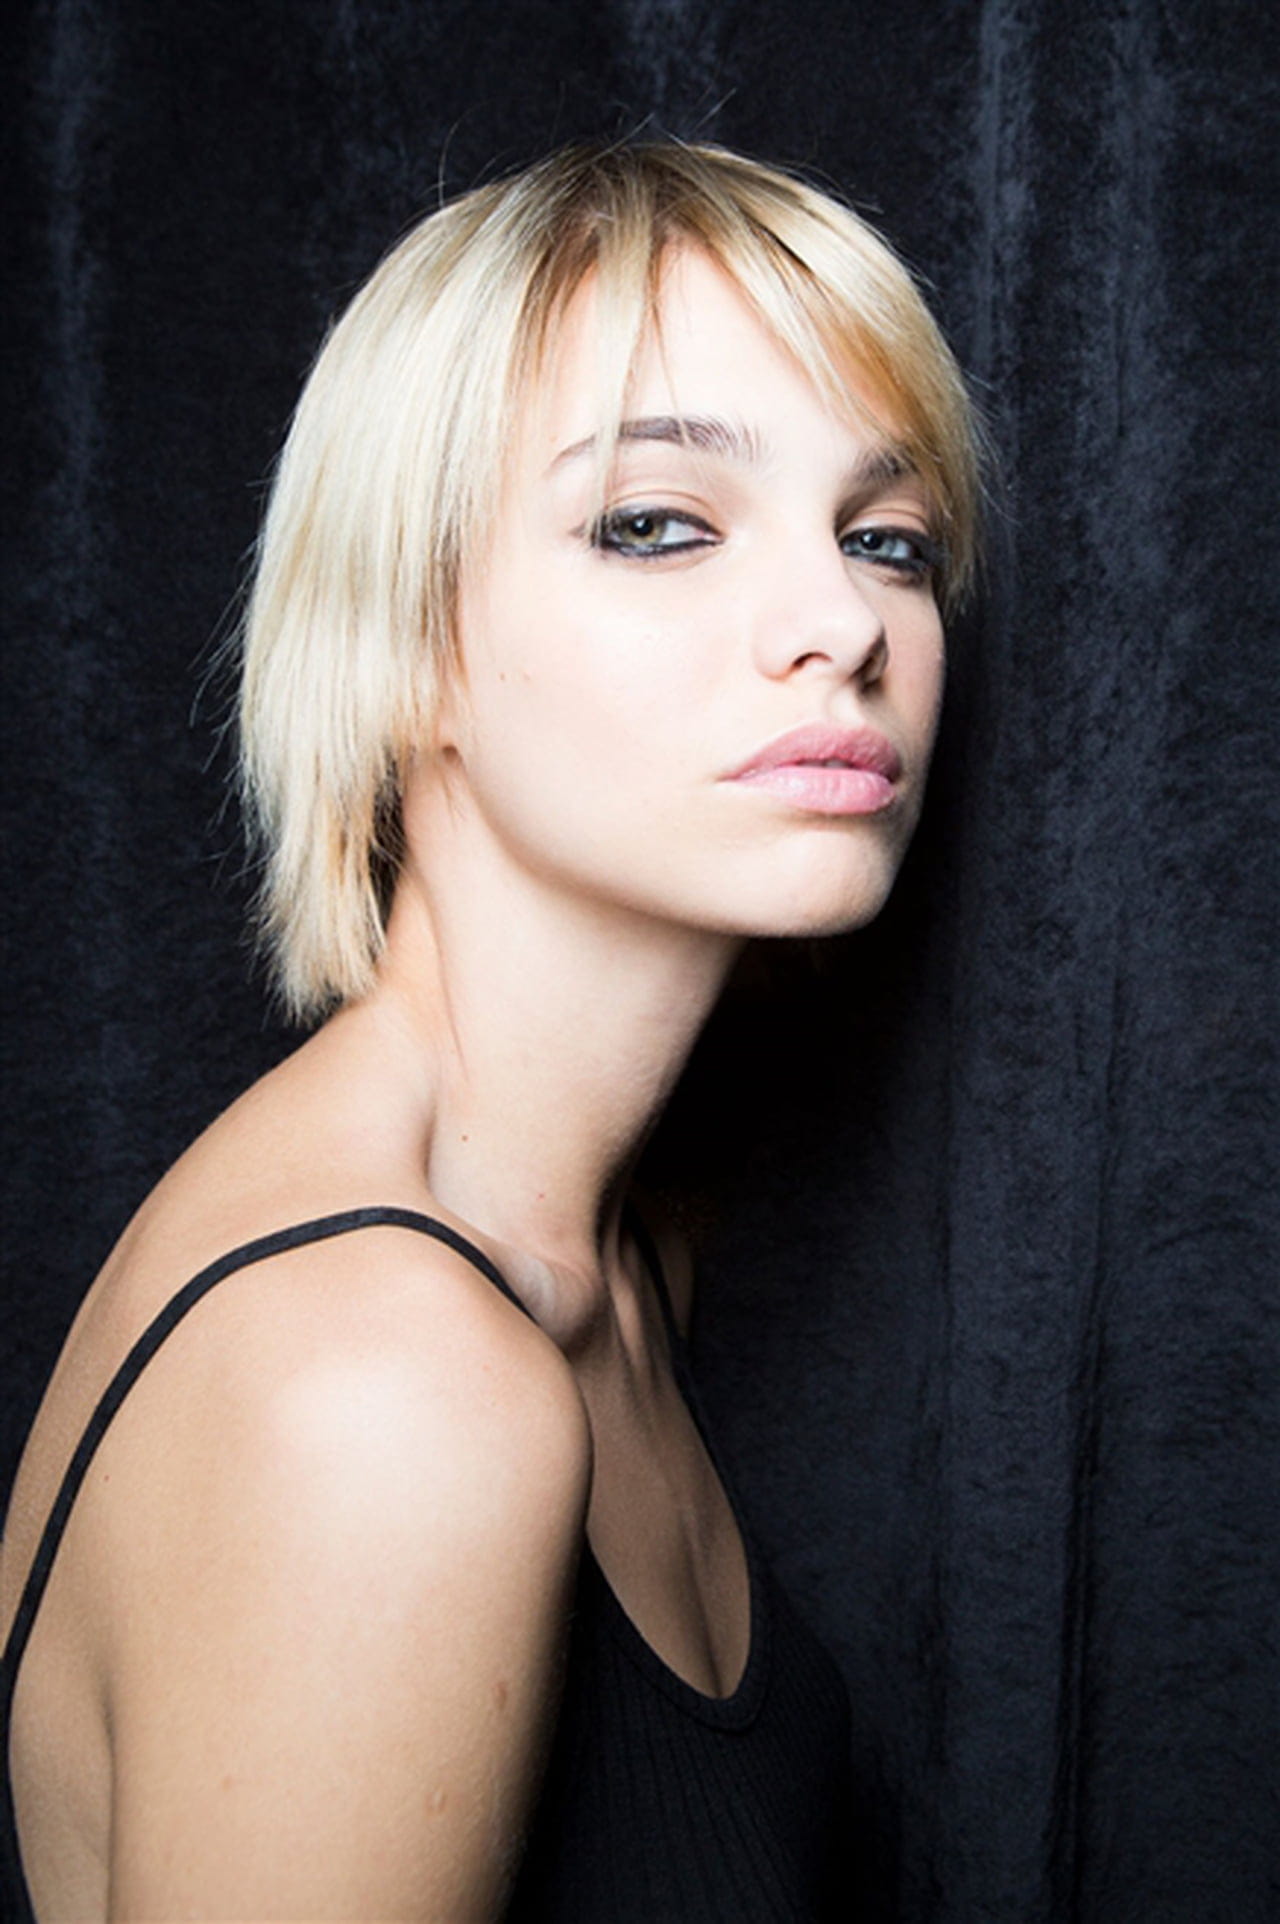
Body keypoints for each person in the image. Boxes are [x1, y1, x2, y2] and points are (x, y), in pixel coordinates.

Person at [1, 140, 980, 1921]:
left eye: (886, 538)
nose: (844, 624)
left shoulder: (621, 1250)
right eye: (658, 523)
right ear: (410, 643)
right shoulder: (381, 1388)